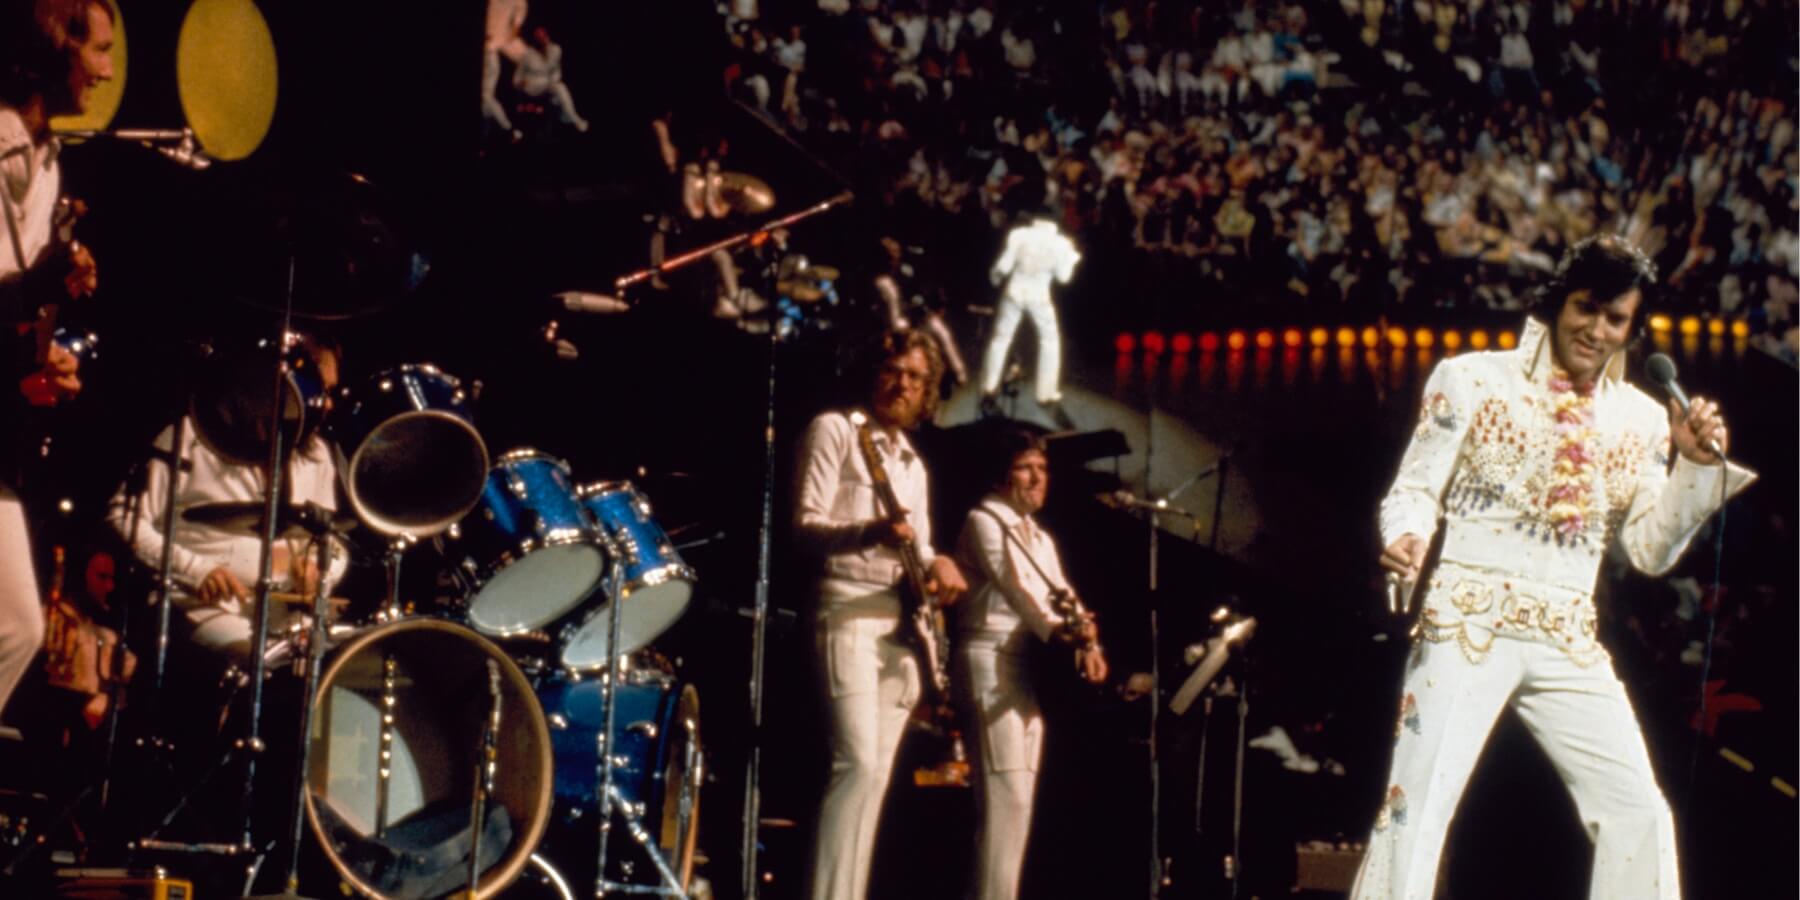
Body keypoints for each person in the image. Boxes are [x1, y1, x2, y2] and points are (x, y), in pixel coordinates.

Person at [1351, 235, 1756, 899]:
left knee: (1639, 811)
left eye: (1615, 319)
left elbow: (1649, 551)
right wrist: (1407, 537)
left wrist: (1693, 467)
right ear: (1558, 303)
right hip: (1465, 620)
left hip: (1568, 635)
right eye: (1585, 308)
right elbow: (1415, 488)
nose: (1596, 330)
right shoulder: (1471, 378)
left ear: (1632, 328)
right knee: (1416, 808)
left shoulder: (1647, 420)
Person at [795, 328, 969, 900]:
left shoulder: (914, 466)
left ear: (927, 392)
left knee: (876, 781)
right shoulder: (837, 430)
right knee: (859, 765)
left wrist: (940, 562)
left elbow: (916, 551)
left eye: (916, 377)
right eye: (893, 369)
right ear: (872, 372)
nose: (903, 384)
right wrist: (870, 531)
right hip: (845, 608)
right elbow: (806, 525)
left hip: (901, 629)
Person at [0, 0, 112, 731]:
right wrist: (40, 283)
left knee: (19, 630)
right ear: (55, 49)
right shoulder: (4, 148)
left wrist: (42, 359)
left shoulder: (46, 157)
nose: (106, 71)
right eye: (97, 50)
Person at [107, 336, 348, 664]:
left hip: (286, 613)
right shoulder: (193, 435)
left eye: (330, 393)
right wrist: (197, 570)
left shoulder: (316, 453)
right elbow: (125, 518)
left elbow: (332, 539)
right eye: (321, 391)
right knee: (268, 663)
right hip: (202, 606)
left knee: (341, 662)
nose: (328, 405)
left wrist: (322, 572)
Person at [954, 428, 1107, 900]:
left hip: (1022, 666)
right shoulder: (985, 520)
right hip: (987, 660)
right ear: (1003, 473)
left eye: (1043, 469)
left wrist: (1089, 639)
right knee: (1006, 801)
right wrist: (1064, 633)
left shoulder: (1038, 535)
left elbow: (1060, 592)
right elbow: (1017, 588)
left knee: (1018, 806)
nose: (1038, 478)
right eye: (1026, 467)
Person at [978, 210, 1080, 429]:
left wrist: (994, 279)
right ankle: (1045, 392)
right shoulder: (1061, 243)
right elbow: (1063, 278)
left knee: (1000, 340)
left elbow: (1003, 265)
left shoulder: (1019, 235)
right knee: (1049, 341)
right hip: (1039, 295)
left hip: (1014, 290)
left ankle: (989, 386)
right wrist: (1072, 258)